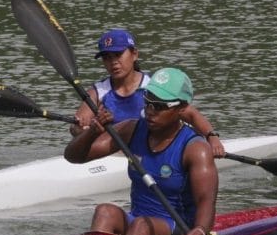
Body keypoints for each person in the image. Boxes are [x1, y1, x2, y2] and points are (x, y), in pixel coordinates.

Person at [64, 67, 218, 235]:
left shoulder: (196, 149)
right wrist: (91, 132)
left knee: (142, 225)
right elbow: (73, 157)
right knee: (104, 211)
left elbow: (206, 201)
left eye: (159, 106)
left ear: (182, 108)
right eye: (147, 102)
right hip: (137, 219)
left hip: (180, 227)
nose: (150, 111)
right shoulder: (132, 129)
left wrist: (200, 230)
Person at [70, 29, 225, 157]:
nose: (113, 62)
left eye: (118, 55)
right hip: (113, 154)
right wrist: (83, 130)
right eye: (107, 58)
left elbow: (190, 114)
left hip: (152, 150)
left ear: (134, 54)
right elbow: (76, 128)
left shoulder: (155, 86)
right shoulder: (97, 92)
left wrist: (211, 137)